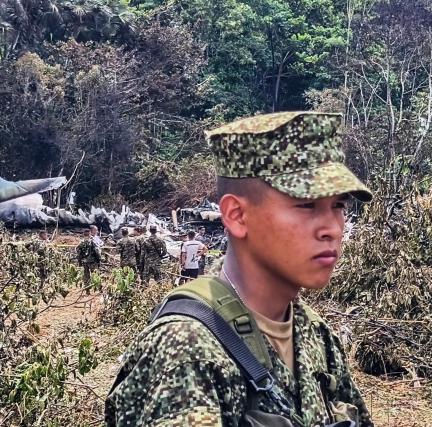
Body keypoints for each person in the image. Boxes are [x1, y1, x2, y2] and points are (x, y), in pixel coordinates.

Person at [105, 112, 374, 426]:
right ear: (237, 215)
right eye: (306, 205)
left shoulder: (314, 333)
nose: (332, 228)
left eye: (339, 206)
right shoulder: (188, 347)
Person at [76, 228, 101, 292]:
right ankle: (99, 288)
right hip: (92, 261)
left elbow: (78, 253)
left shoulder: (81, 243)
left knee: (86, 276)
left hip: (84, 262)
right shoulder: (92, 242)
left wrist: (79, 262)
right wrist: (99, 260)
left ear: (83, 235)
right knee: (95, 274)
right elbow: (97, 251)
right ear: (89, 234)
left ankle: (87, 290)